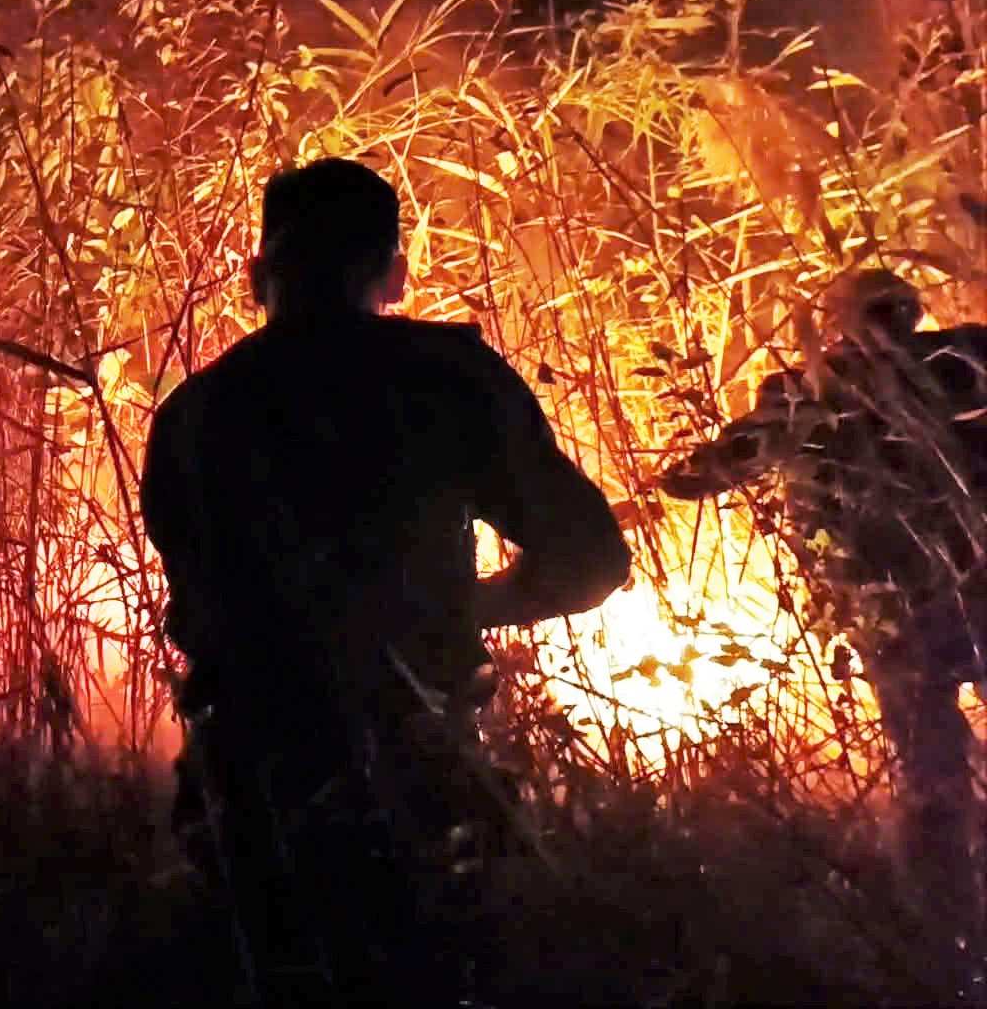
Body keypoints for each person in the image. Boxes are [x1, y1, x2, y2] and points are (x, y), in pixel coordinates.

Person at [140, 157, 631, 1003]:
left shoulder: (196, 412)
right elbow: (591, 557)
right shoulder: (445, 380)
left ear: (258, 277)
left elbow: (200, 603)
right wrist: (465, 606)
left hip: (246, 792)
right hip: (417, 777)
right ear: (396, 274)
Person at [658, 269, 987, 940]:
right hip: (969, 595)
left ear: (836, 323)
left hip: (892, 614)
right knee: (937, 771)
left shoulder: (807, 392)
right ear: (911, 313)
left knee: (933, 779)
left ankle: (946, 931)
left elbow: (694, 479)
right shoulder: (968, 359)